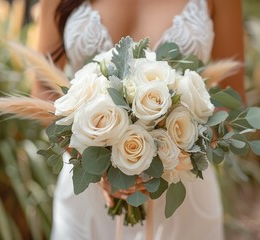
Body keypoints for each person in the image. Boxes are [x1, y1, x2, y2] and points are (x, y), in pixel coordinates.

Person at [33, 0, 244, 239]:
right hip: (86, 196)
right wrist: (93, 163)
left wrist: (173, 153)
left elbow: (232, 101)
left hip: (182, 195)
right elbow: (43, 90)